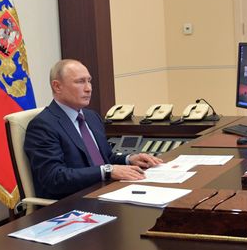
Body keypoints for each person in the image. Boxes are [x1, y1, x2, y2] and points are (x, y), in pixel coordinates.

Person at [25, 59, 163, 199]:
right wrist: (108, 171)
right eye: (80, 82)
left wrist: (129, 159)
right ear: (57, 86)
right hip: (74, 202)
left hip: (105, 191)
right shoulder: (43, 126)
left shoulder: (91, 117)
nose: (88, 88)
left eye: (89, 81)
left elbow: (104, 159)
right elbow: (54, 178)